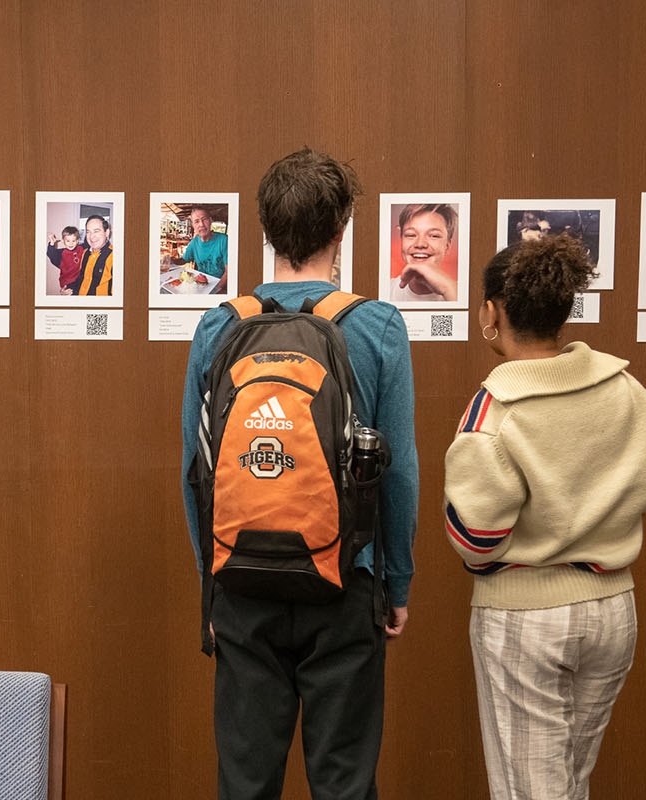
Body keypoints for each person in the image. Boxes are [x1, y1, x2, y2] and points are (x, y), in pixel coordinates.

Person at [181, 148, 418, 800]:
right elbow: (398, 472)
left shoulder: (220, 325)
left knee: (246, 783)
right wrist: (394, 581)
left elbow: (194, 470)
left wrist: (212, 584)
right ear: (342, 229)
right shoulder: (375, 325)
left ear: (264, 230)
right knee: (343, 783)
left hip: (241, 585)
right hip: (345, 582)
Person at [445, 236, 646, 800]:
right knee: (571, 783)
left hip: (526, 619)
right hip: (614, 611)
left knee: (531, 791)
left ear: (491, 313)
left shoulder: (495, 409)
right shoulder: (625, 388)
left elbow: (477, 536)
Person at [389, 203, 459, 302]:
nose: (420, 244)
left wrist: (448, 289)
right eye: (411, 235)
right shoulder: (385, 290)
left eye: (434, 236)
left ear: (447, 246)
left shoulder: (460, 292)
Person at [172, 206, 229, 292]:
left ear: (210, 221)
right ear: (193, 225)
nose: (201, 224)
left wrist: (215, 290)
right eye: (197, 221)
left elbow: (229, 271)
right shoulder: (194, 243)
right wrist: (172, 260)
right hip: (200, 287)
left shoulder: (224, 240)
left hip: (221, 288)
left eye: (204, 219)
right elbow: (183, 260)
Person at [70, 215, 114, 296]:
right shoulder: (85, 253)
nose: (91, 236)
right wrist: (70, 290)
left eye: (96, 231)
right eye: (88, 232)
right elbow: (81, 279)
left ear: (107, 233)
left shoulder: (115, 257)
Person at [45, 225, 86, 295]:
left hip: (80, 281)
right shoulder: (62, 253)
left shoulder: (80, 248)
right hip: (67, 283)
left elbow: (88, 243)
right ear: (63, 241)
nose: (71, 243)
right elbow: (51, 255)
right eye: (68, 241)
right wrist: (52, 243)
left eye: (73, 241)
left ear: (77, 241)